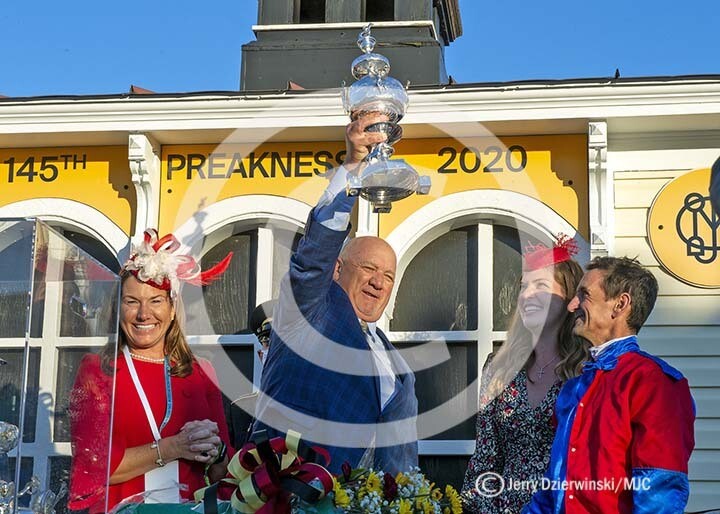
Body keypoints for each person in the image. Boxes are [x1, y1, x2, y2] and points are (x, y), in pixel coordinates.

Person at [253, 115, 418, 475]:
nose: (379, 282)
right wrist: (353, 167)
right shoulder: (310, 310)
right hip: (289, 493)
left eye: (388, 276)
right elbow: (313, 260)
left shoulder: (395, 363)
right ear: (339, 269)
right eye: (369, 269)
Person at [68, 229, 234, 513]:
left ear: (172, 309)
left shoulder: (201, 372)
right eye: (132, 301)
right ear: (118, 309)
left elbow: (225, 473)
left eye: (156, 301)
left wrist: (215, 452)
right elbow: (92, 466)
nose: (144, 314)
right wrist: (173, 448)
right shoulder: (97, 371)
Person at [523, 256, 695, 514]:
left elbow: (659, 493)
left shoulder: (654, 382)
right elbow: (553, 489)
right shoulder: (574, 386)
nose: (572, 306)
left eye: (584, 295)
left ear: (620, 304)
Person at [461, 236, 589, 514]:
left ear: (569, 298)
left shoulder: (587, 370)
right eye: (523, 287)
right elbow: (485, 457)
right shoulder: (499, 367)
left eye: (540, 285)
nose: (527, 295)